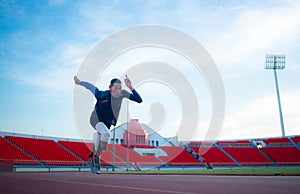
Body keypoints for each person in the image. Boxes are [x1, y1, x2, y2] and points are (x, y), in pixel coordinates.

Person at [74, 75, 142, 174]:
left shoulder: (122, 94)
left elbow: (139, 100)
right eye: (115, 88)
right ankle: (98, 158)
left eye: (120, 89)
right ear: (110, 88)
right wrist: (79, 82)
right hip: (95, 119)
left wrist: (130, 86)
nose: (118, 91)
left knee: (98, 145)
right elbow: (91, 87)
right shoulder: (101, 95)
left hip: (107, 123)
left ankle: (93, 156)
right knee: (106, 135)